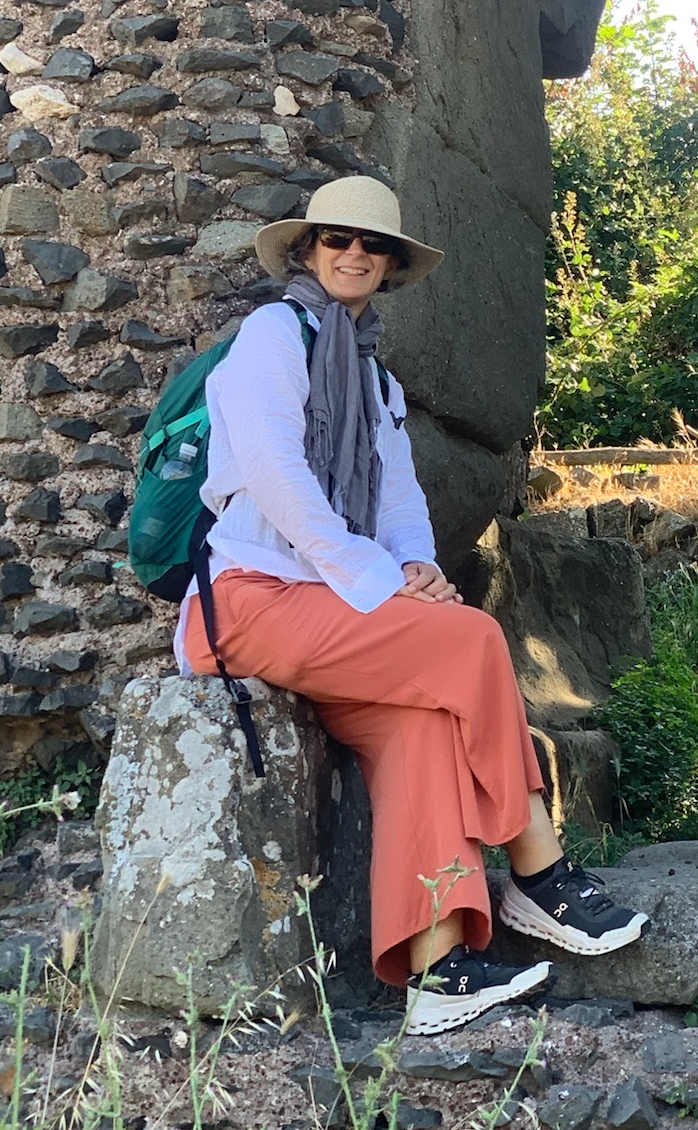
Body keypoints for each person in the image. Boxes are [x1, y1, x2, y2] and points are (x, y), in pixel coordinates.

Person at [177, 174, 647, 1036]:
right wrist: (373, 575)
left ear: (391, 266)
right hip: (253, 600)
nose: (354, 254)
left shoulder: (378, 380)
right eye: (336, 240)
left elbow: (397, 505)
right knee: (468, 644)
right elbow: (277, 476)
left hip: (335, 613)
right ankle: (539, 871)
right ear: (309, 251)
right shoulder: (272, 336)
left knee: (425, 725)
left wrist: (418, 570)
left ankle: (437, 971)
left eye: (373, 245)